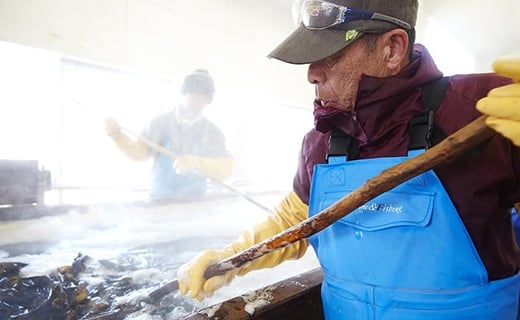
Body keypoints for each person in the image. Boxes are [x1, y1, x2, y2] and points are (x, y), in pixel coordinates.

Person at [177, 1, 520, 318]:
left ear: (392, 49)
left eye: (330, 53)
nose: (311, 73)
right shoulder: (320, 142)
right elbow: (295, 222)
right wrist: (231, 259)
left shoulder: (482, 111)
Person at [105, 69, 234, 201]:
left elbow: (226, 168)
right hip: (159, 201)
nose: (198, 101)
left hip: (196, 205)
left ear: (208, 100)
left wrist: (196, 163)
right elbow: (138, 153)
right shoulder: (160, 123)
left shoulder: (212, 132)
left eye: (204, 97)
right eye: (194, 94)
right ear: (183, 93)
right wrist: (117, 135)